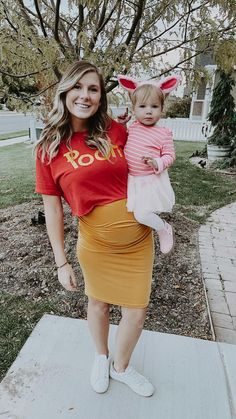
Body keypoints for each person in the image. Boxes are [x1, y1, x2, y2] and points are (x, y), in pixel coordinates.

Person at [35, 61, 155, 397]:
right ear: (66, 91)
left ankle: (122, 366)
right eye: (78, 87)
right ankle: (101, 357)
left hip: (138, 242)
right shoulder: (49, 148)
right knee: (99, 304)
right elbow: (52, 208)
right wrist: (61, 262)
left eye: (93, 89)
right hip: (96, 245)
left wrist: (143, 123)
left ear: (101, 97)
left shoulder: (115, 132)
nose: (85, 95)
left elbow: (147, 149)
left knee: (137, 310)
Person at [117, 74, 181, 254]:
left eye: (154, 107)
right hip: (132, 180)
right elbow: (121, 141)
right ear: (134, 108)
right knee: (131, 213)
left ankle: (163, 228)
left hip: (149, 180)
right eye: (142, 106)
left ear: (161, 109)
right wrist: (122, 125)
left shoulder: (163, 133)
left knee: (141, 214)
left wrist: (157, 162)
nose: (148, 111)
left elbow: (170, 155)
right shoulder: (133, 128)